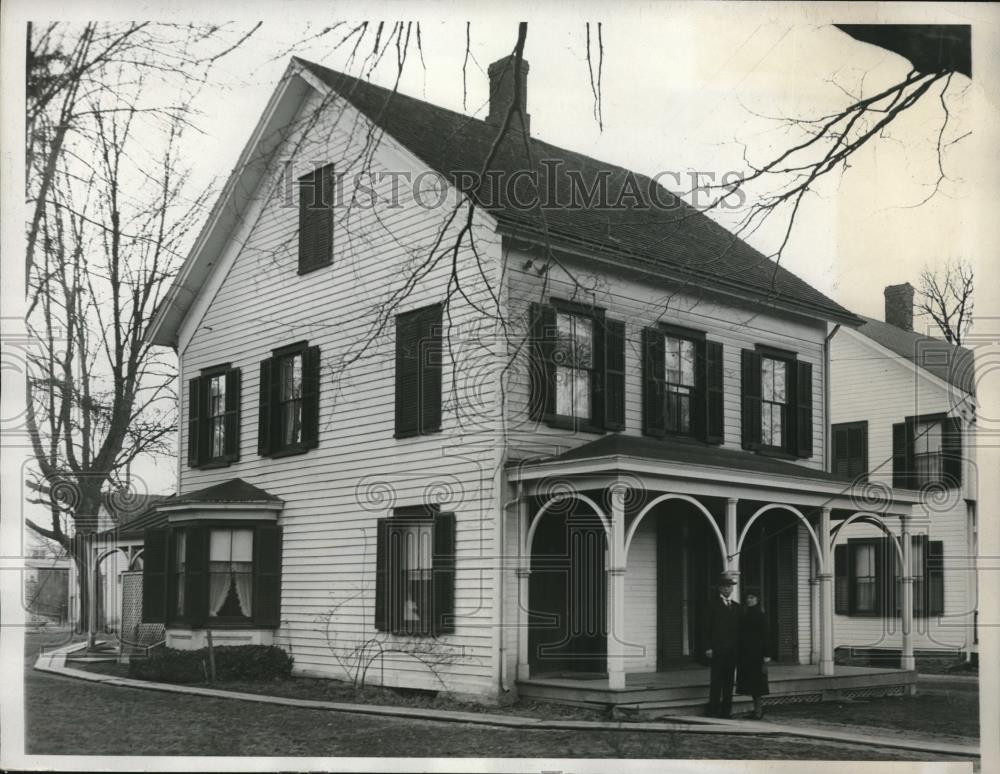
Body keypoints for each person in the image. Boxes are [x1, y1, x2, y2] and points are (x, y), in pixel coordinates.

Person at [703, 573, 741, 718]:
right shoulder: (712, 605)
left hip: (732, 651)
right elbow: (706, 628)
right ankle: (713, 709)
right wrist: (708, 647)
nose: (727, 589)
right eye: (724, 587)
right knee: (716, 681)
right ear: (719, 588)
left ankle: (726, 711)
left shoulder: (737, 607)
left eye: (729, 587)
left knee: (729, 682)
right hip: (717, 650)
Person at [736, 589, 771, 719]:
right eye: (748, 598)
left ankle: (758, 711)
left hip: (757, 654)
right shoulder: (744, 614)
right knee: (750, 682)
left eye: (752, 598)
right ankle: (756, 710)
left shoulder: (760, 615)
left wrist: (766, 654)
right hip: (746, 654)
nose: (749, 600)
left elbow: (766, 635)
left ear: (757, 600)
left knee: (757, 683)